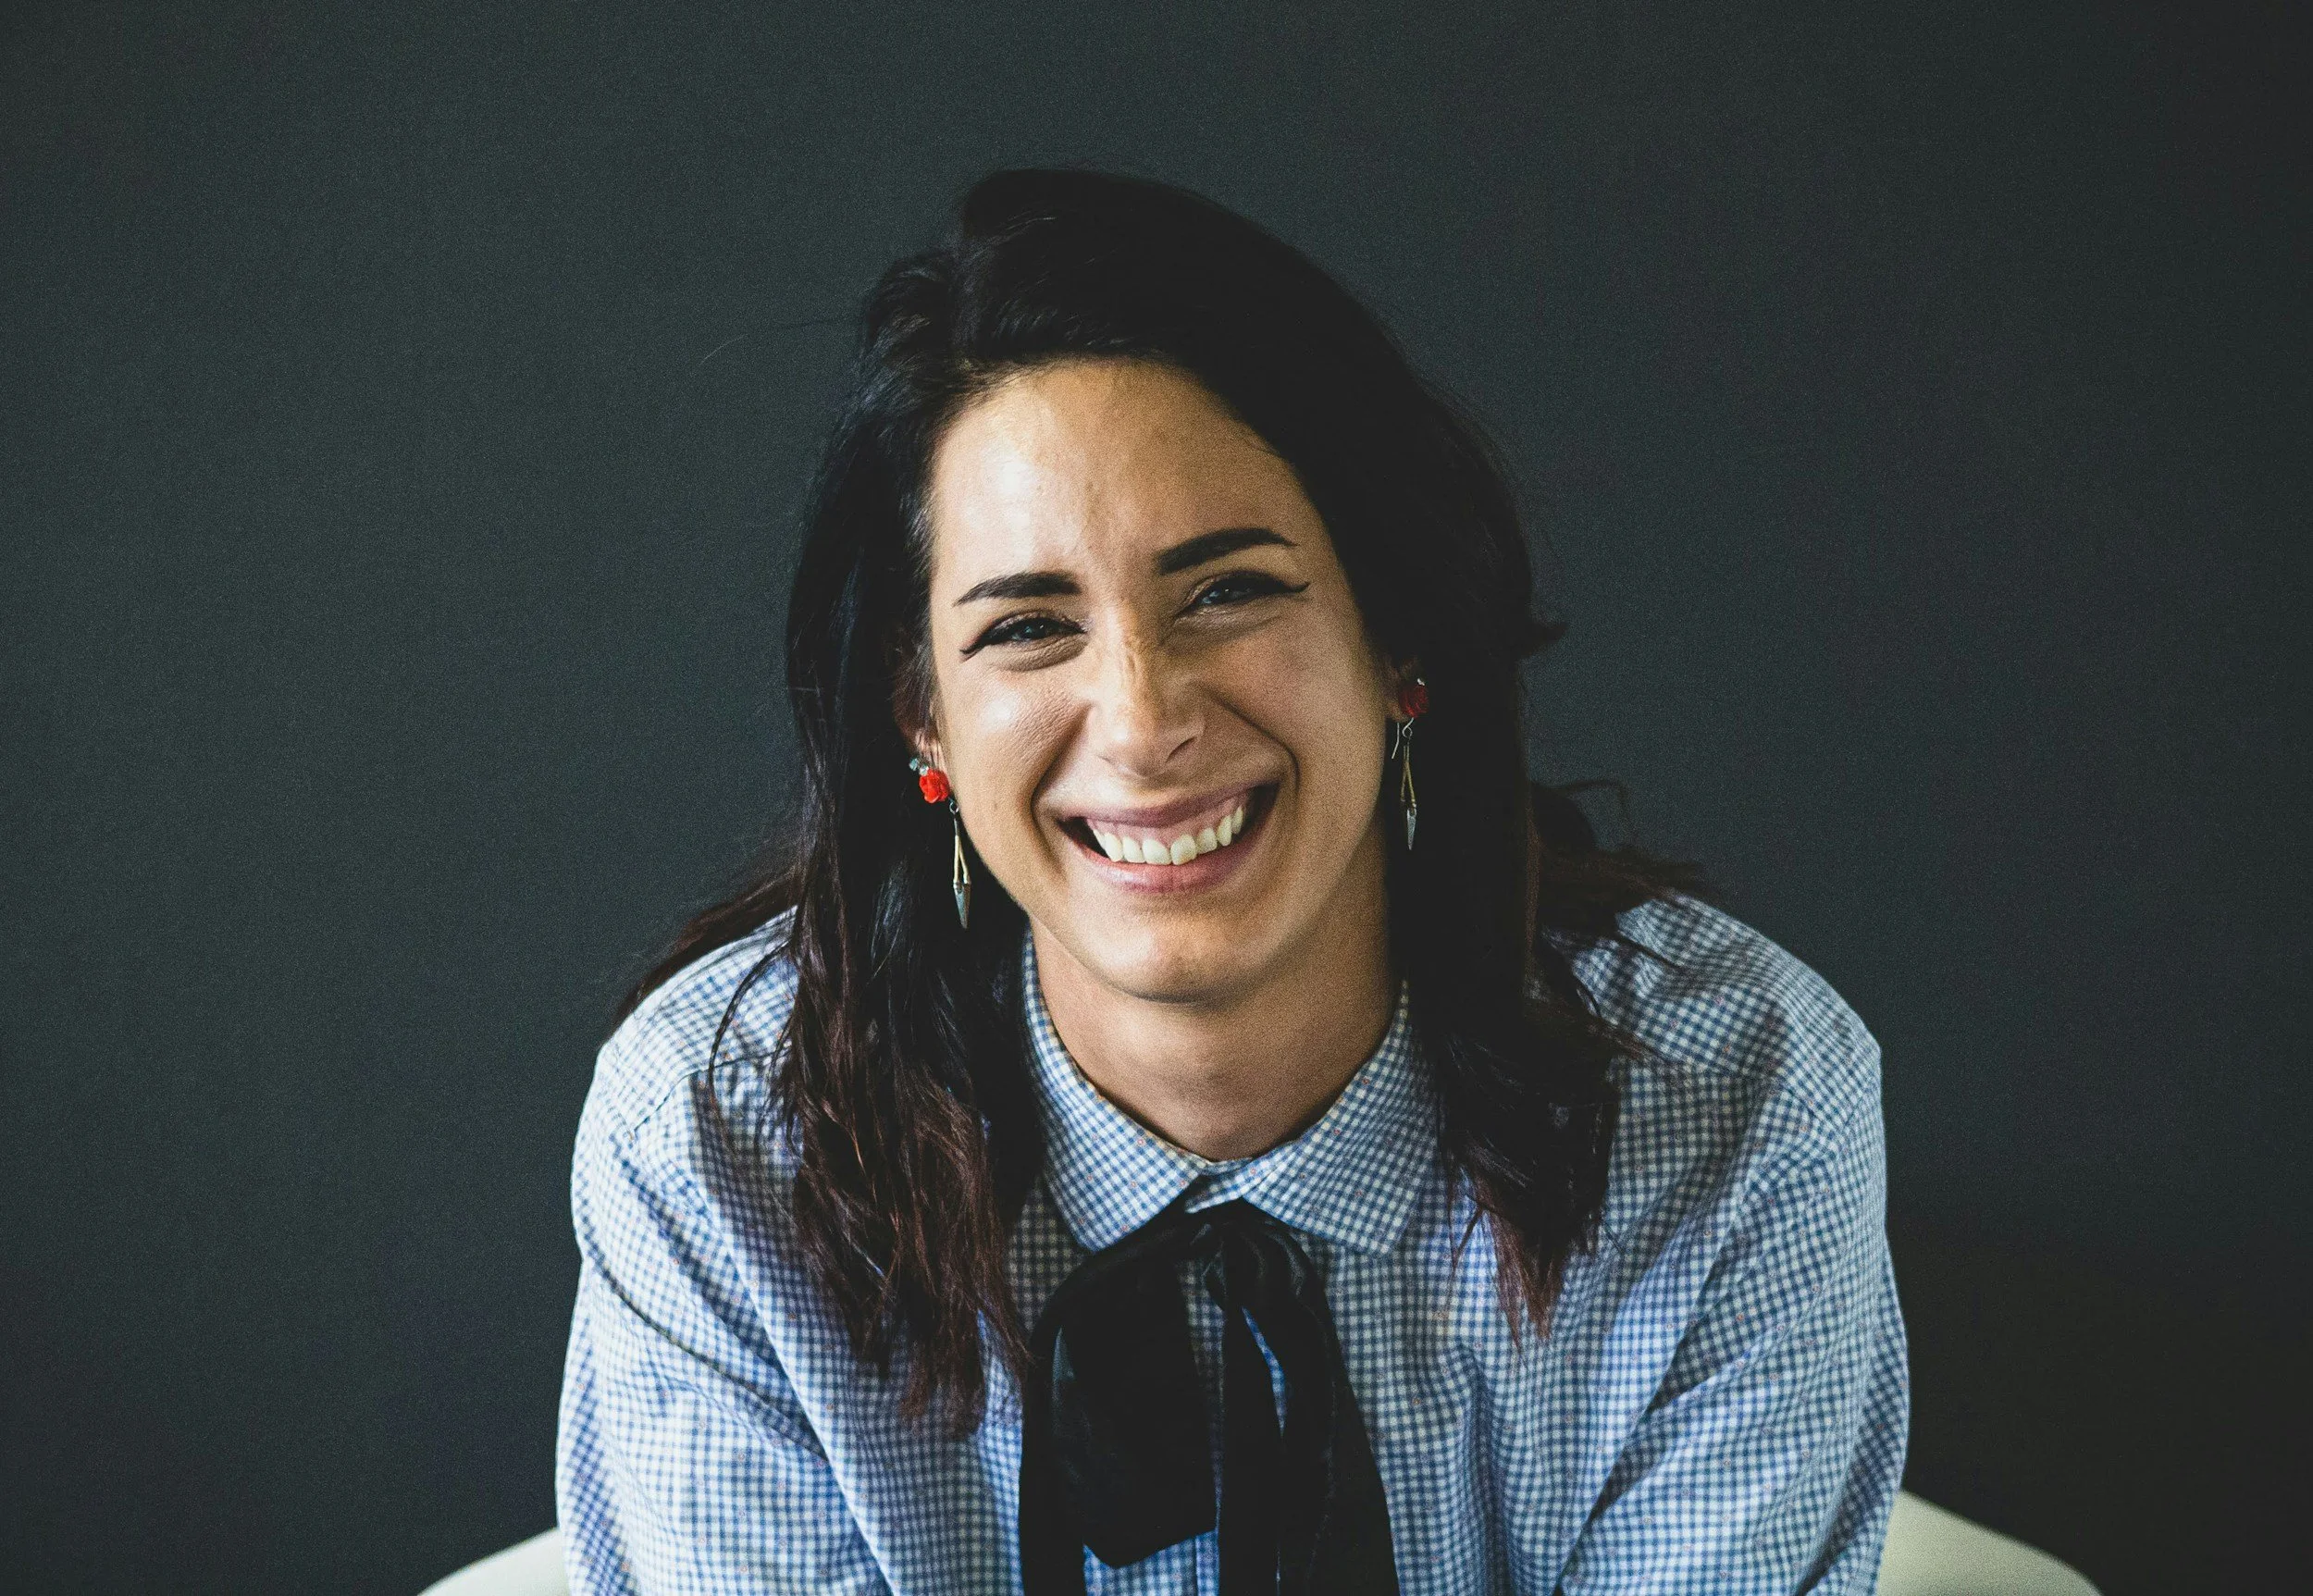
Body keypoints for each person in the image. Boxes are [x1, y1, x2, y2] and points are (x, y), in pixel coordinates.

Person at [554, 168, 1907, 1595]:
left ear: (1401, 637)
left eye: (1228, 591)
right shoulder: (720, 1143)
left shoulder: (1743, 1096)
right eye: (1027, 626)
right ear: (920, 715)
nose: (1142, 724)